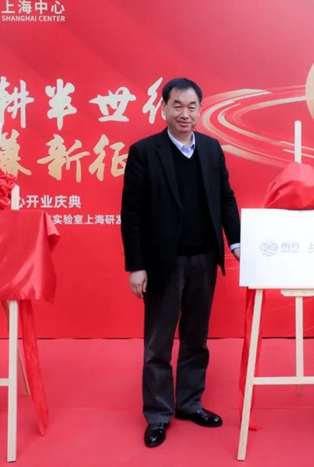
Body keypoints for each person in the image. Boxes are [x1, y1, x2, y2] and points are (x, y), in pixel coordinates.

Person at [120, 77, 241, 448]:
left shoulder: (211, 148)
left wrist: (237, 242)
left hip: (204, 258)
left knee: (196, 338)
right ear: (164, 108)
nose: (184, 113)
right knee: (158, 342)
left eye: (192, 106)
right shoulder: (145, 151)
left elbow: (225, 198)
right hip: (163, 262)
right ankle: (158, 414)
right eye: (177, 105)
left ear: (200, 110)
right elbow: (132, 213)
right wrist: (136, 266)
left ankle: (189, 403)